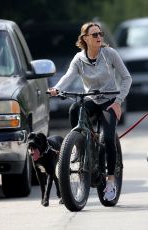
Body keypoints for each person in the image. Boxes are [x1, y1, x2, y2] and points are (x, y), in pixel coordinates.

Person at [47, 22, 132, 201]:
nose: (99, 37)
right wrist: (56, 88)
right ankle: (80, 143)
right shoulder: (79, 59)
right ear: (85, 38)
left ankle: (110, 182)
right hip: (92, 98)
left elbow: (126, 78)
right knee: (74, 109)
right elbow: (68, 76)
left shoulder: (109, 54)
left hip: (110, 100)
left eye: (100, 34)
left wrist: (118, 102)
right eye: (94, 35)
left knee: (108, 138)